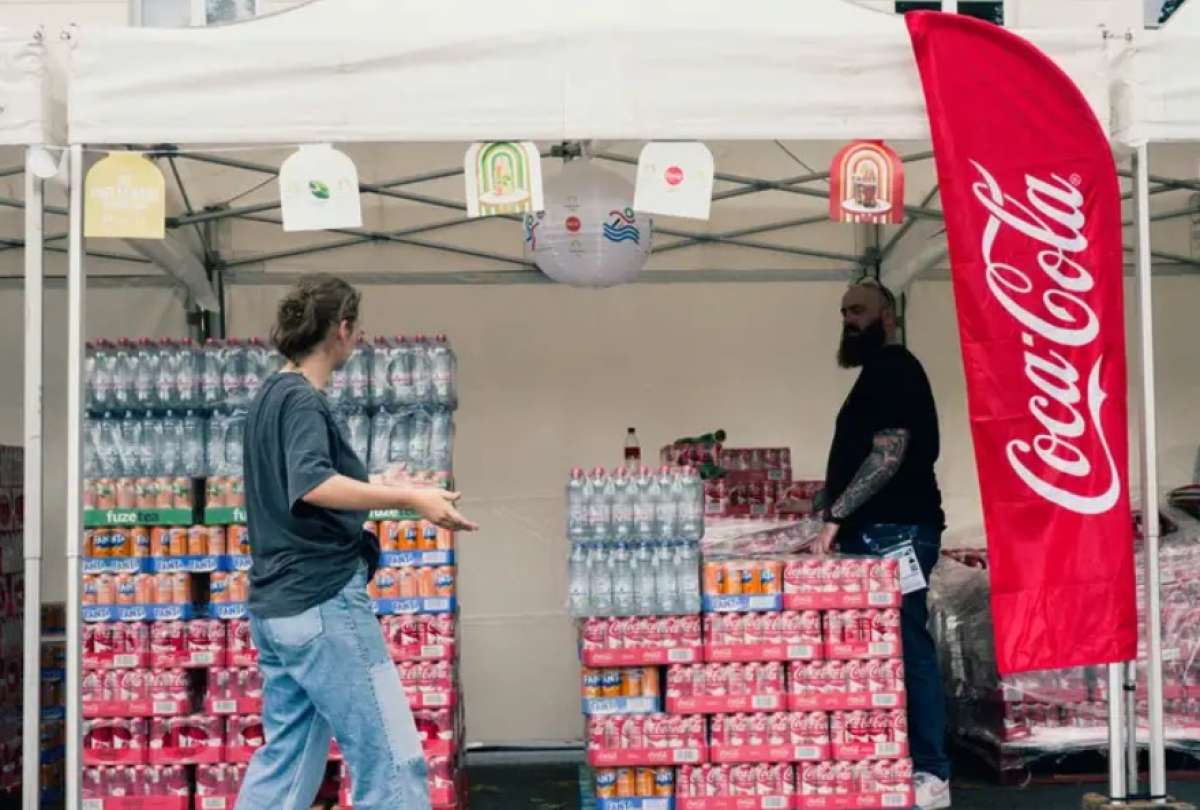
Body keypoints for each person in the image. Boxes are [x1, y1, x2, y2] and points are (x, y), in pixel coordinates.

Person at [234, 274, 477, 810]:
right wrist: (412, 502)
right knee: (393, 760)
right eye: (356, 329)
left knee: (287, 762)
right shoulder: (303, 401)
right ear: (341, 330)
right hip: (323, 603)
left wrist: (389, 488)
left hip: (279, 606)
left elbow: (297, 487)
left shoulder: (269, 396)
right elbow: (313, 483)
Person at [815, 279, 951, 809]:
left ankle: (931, 774)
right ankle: (898, 764)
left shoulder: (895, 368)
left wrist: (837, 516)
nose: (850, 319)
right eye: (845, 311)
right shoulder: (877, 373)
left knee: (908, 647)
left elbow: (889, 454)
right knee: (883, 651)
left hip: (898, 533)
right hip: (882, 531)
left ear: (888, 314)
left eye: (860, 310)